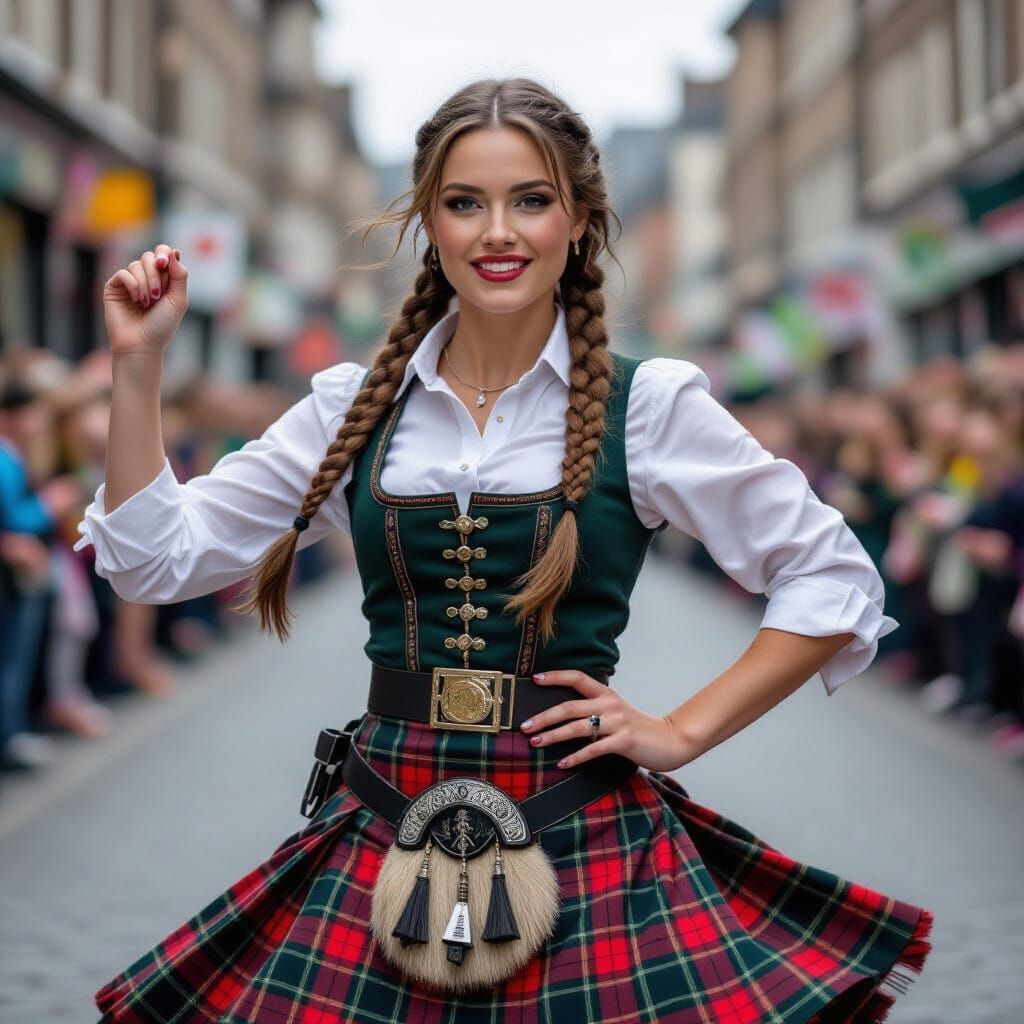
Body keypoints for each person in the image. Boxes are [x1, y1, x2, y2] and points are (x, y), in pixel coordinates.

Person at [77, 78, 933, 1023]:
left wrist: (683, 731)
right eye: (464, 203)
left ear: (580, 218)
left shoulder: (649, 404)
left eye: (530, 199)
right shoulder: (348, 406)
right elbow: (152, 561)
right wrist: (137, 366)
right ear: (428, 224)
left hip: (580, 822)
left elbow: (830, 574)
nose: (497, 232)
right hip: (383, 812)